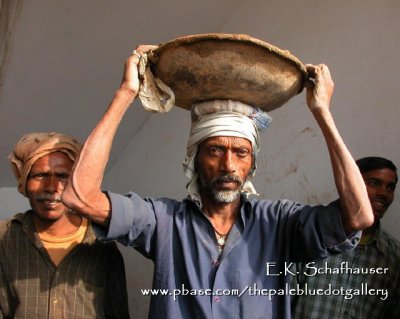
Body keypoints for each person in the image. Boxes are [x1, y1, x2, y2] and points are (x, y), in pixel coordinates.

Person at [61, 46, 374, 319]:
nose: (228, 165)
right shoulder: (164, 223)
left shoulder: (279, 222)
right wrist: (125, 94)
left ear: (252, 163)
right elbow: (81, 197)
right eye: (214, 151)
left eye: (240, 153)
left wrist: (322, 113)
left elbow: (360, 216)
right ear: (196, 159)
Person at [0, 132, 130, 319]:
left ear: (76, 184)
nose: (51, 187)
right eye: (40, 175)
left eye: (62, 176)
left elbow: (117, 313)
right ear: (24, 184)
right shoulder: (5, 239)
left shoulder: (101, 245)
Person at [291, 156, 399, 319]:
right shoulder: (313, 234)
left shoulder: (393, 257)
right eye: (374, 183)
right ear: (349, 184)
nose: (384, 193)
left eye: (390, 187)